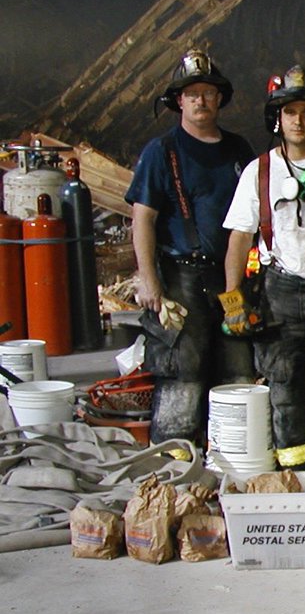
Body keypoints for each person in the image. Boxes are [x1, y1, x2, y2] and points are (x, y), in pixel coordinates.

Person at [221, 66, 305, 470]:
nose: (298, 120)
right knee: (285, 387)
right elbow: (239, 238)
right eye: (289, 112)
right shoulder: (259, 172)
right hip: (280, 292)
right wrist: (233, 299)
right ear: (277, 120)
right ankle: (296, 469)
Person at [125, 49, 256, 448]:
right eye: (191, 93)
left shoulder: (238, 152)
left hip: (229, 278)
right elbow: (142, 219)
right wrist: (150, 282)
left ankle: (231, 460)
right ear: (178, 101)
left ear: (220, 99)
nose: (200, 100)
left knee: (237, 372)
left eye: (208, 92)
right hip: (181, 279)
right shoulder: (161, 152)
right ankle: (172, 466)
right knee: (184, 372)